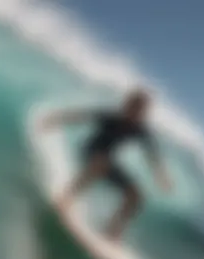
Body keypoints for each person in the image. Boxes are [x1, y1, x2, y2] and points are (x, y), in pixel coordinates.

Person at [40, 89, 173, 241]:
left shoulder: (140, 130)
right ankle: (66, 199)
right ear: (127, 105)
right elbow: (80, 116)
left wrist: (162, 176)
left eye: (141, 111)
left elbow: (152, 154)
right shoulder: (112, 118)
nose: (136, 113)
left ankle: (112, 232)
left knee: (136, 195)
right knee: (100, 164)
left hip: (107, 161)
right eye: (134, 107)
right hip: (90, 151)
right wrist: (54, 120)